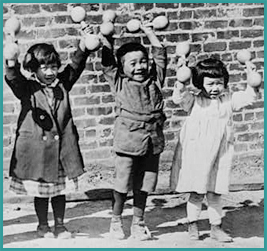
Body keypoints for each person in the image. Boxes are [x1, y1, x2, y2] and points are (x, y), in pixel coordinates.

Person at [4, 28, 95, 239]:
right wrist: (11, 60)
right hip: (39, 150)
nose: (50, 71)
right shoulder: (27, 88)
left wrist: (84, 44)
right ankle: (43, 225)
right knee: (42, 192)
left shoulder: (63, 84)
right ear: (34, 69)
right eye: (44, 67)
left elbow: (76, 64)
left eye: (53, 66)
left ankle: (60, 225)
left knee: (60, 191)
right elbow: (13, 77)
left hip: (62, 149)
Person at [171, 58, 259, 242]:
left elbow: (249, 98)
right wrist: (181, 81)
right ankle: (192, 224)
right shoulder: (195, 101)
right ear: (200, 84)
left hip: (220, 155)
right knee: (196, 192)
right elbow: (178, 97)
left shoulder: (228, 100)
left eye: (219, 83)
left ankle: (216, 227)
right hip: (197, 154)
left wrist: (252, 75)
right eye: (210, 84)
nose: (215, 88)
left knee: (215, 192)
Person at [100, 22, 167, 240]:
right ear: (122, 67)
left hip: (152, 141)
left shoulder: (155, 80)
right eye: (133, 63)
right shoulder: (119, 81)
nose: (139, 67)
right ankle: (116, 220)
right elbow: (107, 61)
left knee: (145, 184)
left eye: (143, 62)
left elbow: (160, 54)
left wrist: (149, 32)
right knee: (122, 184)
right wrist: (106, 37)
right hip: (128, 142)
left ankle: (138, 222)